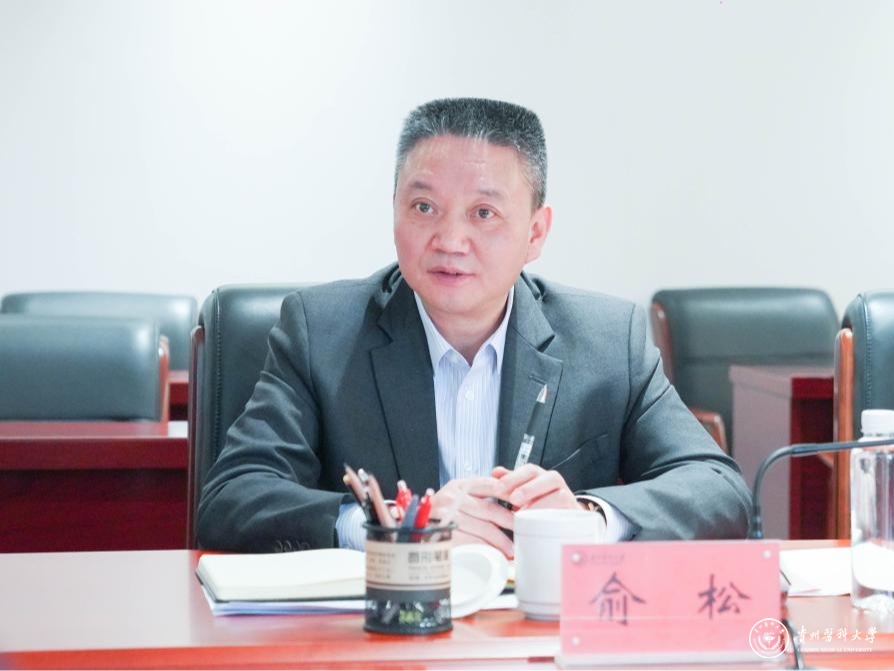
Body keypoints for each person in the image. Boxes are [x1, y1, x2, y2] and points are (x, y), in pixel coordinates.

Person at [196, 98, 751, 556]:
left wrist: (586, 518)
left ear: (535, 233)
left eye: (484, 213)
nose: (450, 241)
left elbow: (718, 488)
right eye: (423, 207)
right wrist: (399, 526)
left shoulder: (608, 342)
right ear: (394, 211)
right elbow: (232, 498)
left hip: (536, 634)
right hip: (384, 631)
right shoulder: (321, 332)